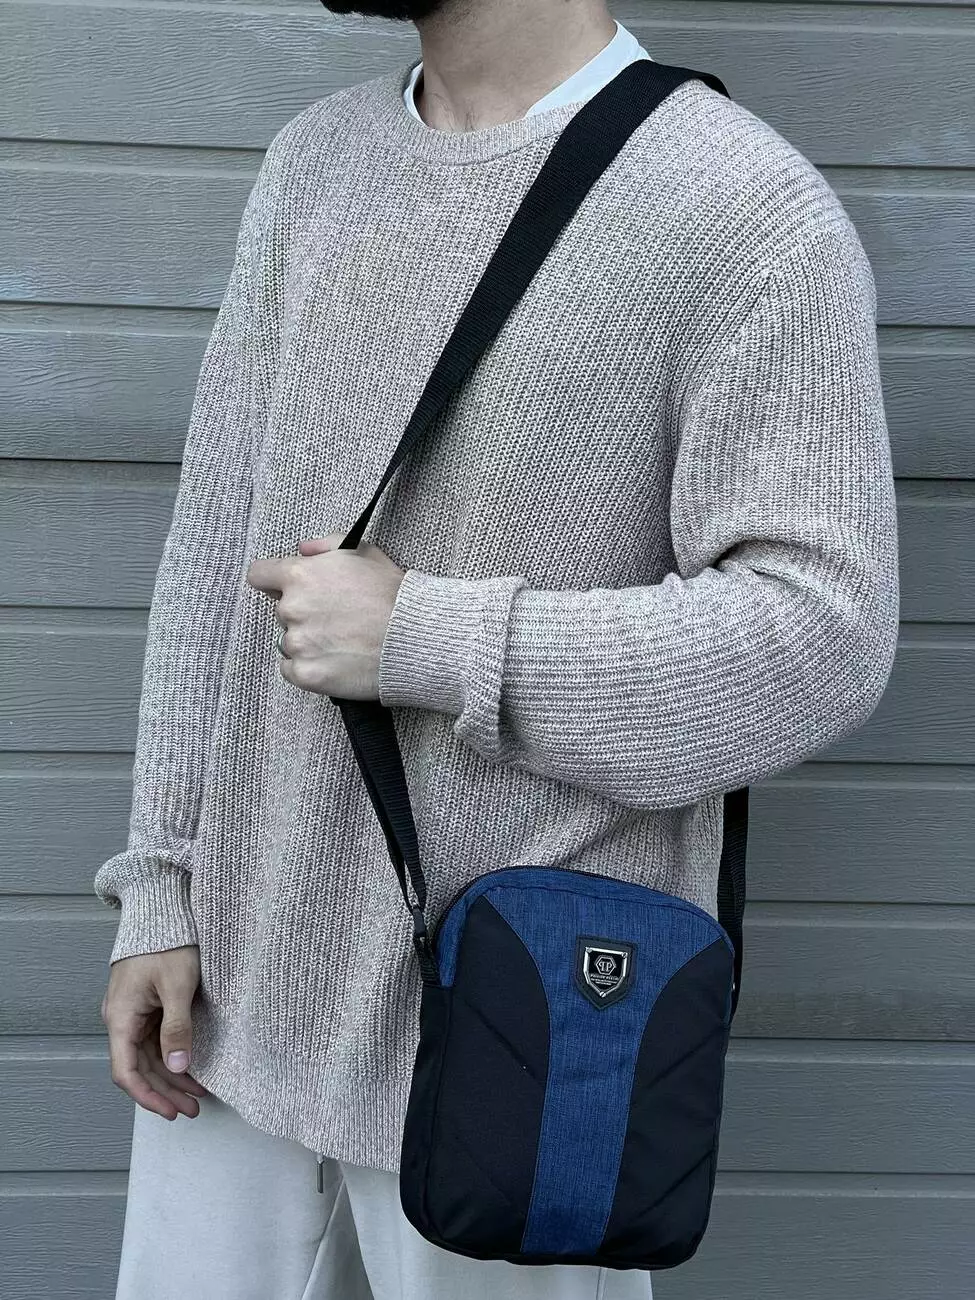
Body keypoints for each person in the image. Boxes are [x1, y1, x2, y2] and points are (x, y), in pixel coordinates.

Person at [95, 0, 900, 1296]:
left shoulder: (740, 207)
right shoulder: (317, 163)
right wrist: (161, 889)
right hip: (232, 1019)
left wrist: (431, 636)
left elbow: (821, 632)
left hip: (523, 1040)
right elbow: (210, 555)